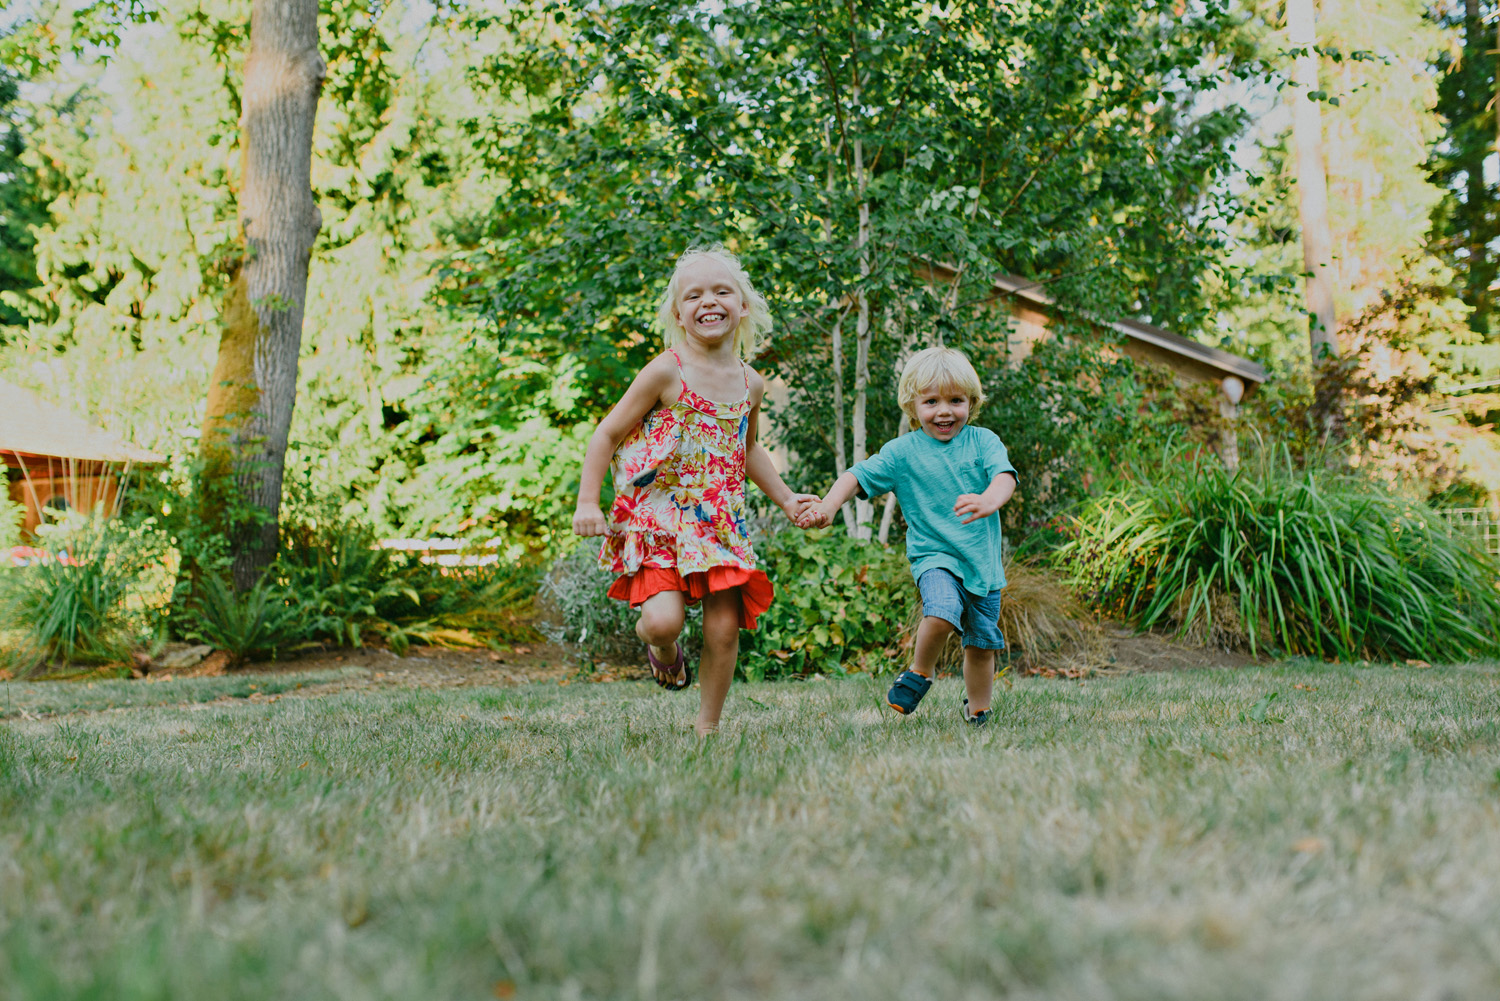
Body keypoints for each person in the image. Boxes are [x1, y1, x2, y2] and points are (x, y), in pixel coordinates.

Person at [573, 245, 817, 735]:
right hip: (658, 515)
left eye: (722, 291)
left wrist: (788, 498)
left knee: (724, 630)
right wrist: (587, 501)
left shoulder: (751, 383)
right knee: (663, 622)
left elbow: (745, 450)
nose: (709, 301)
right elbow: (607, 433)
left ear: (742, 306)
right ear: (679, 314)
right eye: (694, 295)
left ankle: (707, 727)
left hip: (718, 522)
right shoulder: (667, 370)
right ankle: (662, 649)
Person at [798, 346, 1017, 727]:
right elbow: (856, 476)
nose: (944, 410)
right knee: (942, 610)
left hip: (981, 564)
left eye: (955, 400)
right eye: (931, 401)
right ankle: (920, 672)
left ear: (972, 402)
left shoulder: (983, 442)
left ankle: (978, 708)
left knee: (981, 645)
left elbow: (1004, 476)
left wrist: (988, 500)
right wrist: (830, 506)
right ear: (912, 405)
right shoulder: (902, 453)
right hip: (935, 557)